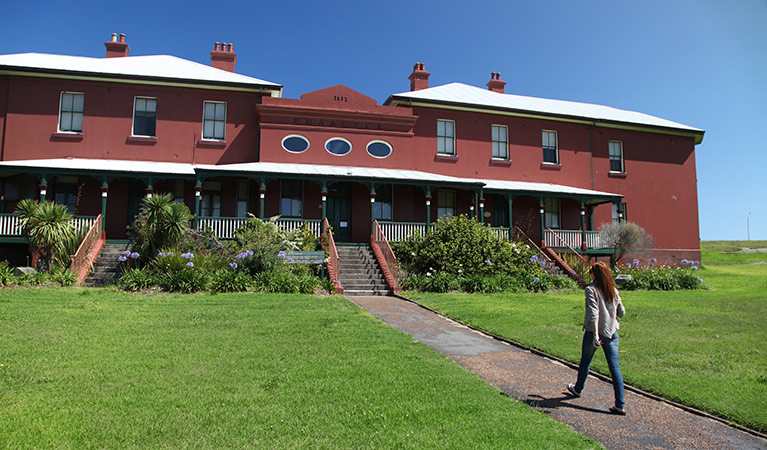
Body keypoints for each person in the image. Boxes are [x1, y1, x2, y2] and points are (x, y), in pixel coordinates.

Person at [567, 261, 626, 415]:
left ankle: (578, 388)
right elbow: (621, 313)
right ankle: (620, 404)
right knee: (615, 368)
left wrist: (595, 335)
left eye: (591, 272)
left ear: (595, 274)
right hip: (612, 333)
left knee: (585, 362)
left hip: (595, 333)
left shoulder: (590, 290)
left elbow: (594, 313)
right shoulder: (612, 290)